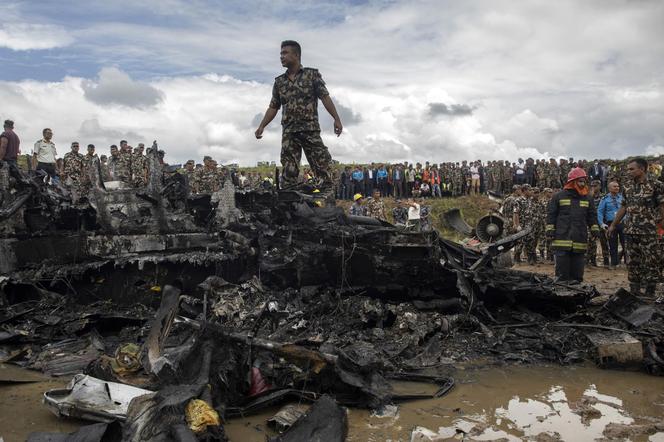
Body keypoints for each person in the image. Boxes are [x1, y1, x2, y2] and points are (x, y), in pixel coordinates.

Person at [255, 40, 342, 190]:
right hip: (289, 132)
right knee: (289, 172)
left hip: (310, 128)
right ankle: (290, 205)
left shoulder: (311, 75)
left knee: (321, 164)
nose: (281, 57)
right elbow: (273, 107)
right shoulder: (280, 82)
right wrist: (262, 125)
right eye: (280, 53)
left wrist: (336, 118)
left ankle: (326, 202)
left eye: (285, 53)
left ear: (296, 55)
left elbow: (325, 97)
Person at [608, 158, 664, 297]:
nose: (629, 172)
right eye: (628, 169)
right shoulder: (627, 186)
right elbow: (624, 207)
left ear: (642, 169)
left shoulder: (656, 185)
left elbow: (663, 206)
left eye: (632, 169)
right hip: (631, 230)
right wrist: (613, 225)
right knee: (633, 262)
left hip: (649, 231)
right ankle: (635, 291)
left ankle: (650, 292)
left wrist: (661, 225)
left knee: (651, 261)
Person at [546, 167, 600, 283]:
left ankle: (577, 293)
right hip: (561, 238)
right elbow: (551, 215)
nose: (582, 184)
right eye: (580, 181)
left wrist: (594, 228)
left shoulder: (587, 198)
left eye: (584, 181)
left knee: (577, 272)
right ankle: (561, 292)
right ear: (572, 182)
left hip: (579, 238)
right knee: (562, 273)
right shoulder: (558, 196)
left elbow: (592, 216)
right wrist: (550, 229)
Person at [598, 181, 625, 268]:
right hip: (611, 224)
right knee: (613, 244)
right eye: (614, 186)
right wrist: (601, 223)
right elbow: (600, 212)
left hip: (622, 223)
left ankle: (627, 263)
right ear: (609, 188)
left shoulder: (622, 198)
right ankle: (614, 263)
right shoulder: (605, 199)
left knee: (625, 244)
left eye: (617, 186)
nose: (617, 188)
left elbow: (626, 209)